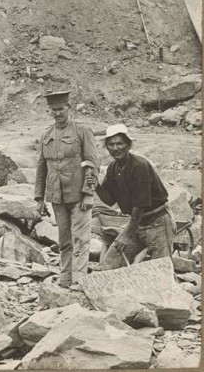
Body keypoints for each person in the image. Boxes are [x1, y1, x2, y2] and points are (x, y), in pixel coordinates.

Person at [34, 91, 99, 289]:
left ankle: (79, 280)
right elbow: (41, 168)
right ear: (49, 111)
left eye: (61, 109)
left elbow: (92, 164)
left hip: (79, 196)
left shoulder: (82, 131)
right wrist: (39, 198)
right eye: (54, 110)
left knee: (81, 240)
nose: (57, 113)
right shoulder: (46, 135)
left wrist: (88, 193)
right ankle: (65, 278)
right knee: (64, 241)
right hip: (57, 196)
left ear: (68, 108)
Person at [94, 124, 175, 269]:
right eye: (111, 144)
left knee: (161, 271)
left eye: (120, 143)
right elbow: (110, 200)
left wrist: (126, 235)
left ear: (128, 145)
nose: (115, 148)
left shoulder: (140, 166)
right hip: (136, 223)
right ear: (106, 147)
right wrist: (95, 185)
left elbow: (140, 205)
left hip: (158, 222)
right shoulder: (113, 168)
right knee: (109, 264)